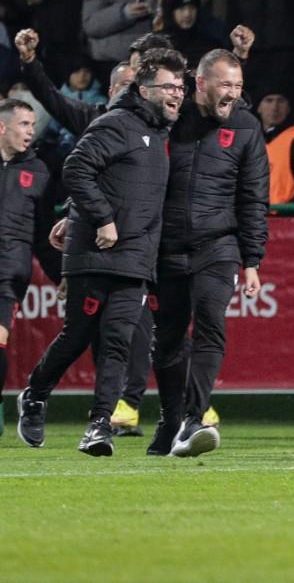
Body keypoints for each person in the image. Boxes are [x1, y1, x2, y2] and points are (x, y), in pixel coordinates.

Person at [16, 48, 184, 456]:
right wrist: (101, 217)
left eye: (181, 86)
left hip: (135, 257)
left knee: (117, 342)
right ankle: (35, 395)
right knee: (78, 336)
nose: (178, 93)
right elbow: (76, 168)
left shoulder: (160, 131)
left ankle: (98, 426)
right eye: (169, 86)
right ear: (144, 91)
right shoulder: (115, 124)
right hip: (96, 250)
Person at [148, 48, 269, 457]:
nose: (232, 93)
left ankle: (193, 419)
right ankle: (171, 419)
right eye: (225, 84)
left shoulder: (247, 127)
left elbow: (254, 197)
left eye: (238, 85)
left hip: (219, 247)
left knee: (211, 325)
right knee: (166, 339)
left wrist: (252, 259)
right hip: (165, 248)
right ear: (199, 83)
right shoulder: (167, 118)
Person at [0, 99, 55, 435]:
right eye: (24, 125)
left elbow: (44, 235)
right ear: (2, 127)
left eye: (33, 126)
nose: (30, 132)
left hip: (9, 275)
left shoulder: (38, 173)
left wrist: (60, 276)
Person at [159, 0, 226, 69]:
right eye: (181, 8)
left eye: (192, 7)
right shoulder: (155, 46)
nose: (187, 14)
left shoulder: (210, 47)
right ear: (169, 11)